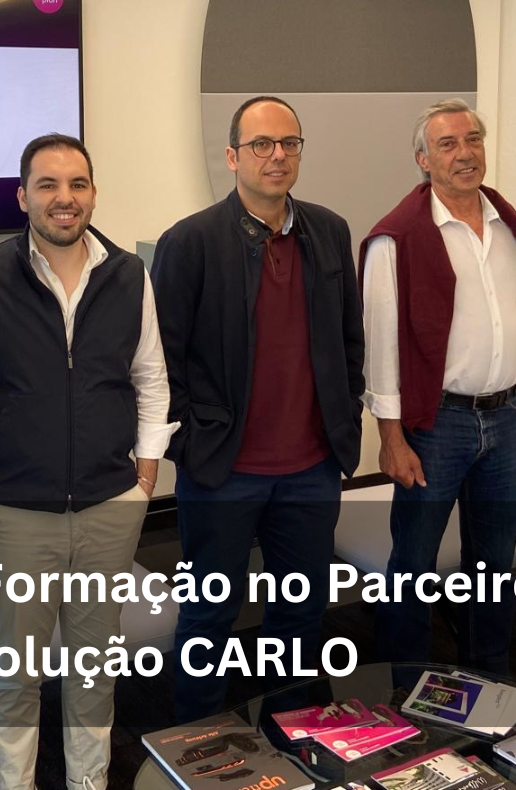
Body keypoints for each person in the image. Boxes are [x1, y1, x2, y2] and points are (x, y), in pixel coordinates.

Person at [0, 132, 175, 790]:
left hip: (110, 506)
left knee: (94, 668)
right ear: (23, 197)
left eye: (77, 184)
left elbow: (151, 376)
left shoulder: (128, 274)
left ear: (93, 193)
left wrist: (146, 473)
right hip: (15, 514)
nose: (64, 197)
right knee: (15, 673)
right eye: (47, 184)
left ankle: (88, 782)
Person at [151, 95, 364, 721]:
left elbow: (349, 338)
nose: (277, 156)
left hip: (311, 468)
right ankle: (196, 739)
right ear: (232, 156)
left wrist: (344, 416)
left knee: (300, 612)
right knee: (209, 613)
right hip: (224, 469)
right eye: (261, 145)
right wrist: (190, 444)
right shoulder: (189, 242)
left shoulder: (330, 230)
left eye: (289, 143)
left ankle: (291, 728)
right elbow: (161, 360)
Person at [359, 97, 516, 674]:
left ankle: (488, 680)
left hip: (506, 420)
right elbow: (382, 346)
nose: (464, 153)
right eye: (447, 144)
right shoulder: (395, 239)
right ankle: (403, 685)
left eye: (472, 139)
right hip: (436, 425)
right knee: (414, 563)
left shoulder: (511, 230)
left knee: (494, 564)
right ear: (423, 160)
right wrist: (391, 437)